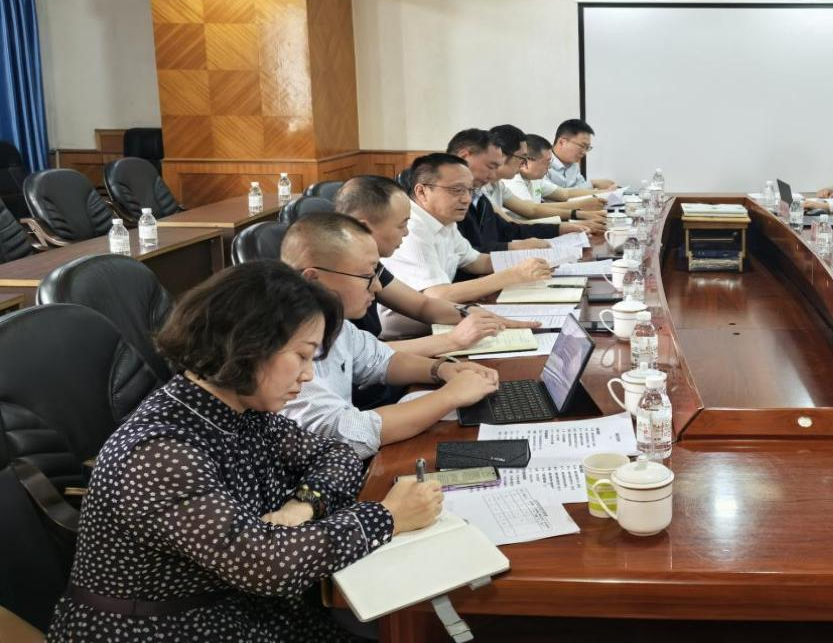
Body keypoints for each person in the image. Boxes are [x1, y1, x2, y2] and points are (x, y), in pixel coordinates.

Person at [47, 261, 444, 641]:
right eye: (301, 356)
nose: (308, 374)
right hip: (162, 628)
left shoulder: (239, 409)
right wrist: (387, 517)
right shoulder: (160, 453)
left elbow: (335, 456)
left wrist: (304, 505)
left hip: (239, 609)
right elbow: (266, 565)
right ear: (247, 345)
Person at [279, 213, 500, 459]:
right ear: (313, 279)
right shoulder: (280, 347)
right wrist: (450, 396)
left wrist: (441, 369)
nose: (377, 286)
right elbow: (349, 434)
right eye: (367, 276)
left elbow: (381, 360)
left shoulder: (333, 324)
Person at [332, 175, 536, 347]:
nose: (406, 233)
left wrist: (474, 313)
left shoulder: (371, 266)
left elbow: (422, 305)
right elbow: (367, 355)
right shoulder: (332, 277)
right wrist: (452, 341)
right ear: (364, 227)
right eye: (401, 225)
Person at [380, 153, 553, 316]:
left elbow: (476, 262)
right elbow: (437, 295)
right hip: (410, 328)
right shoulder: (411, 228)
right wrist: (513, 275)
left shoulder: (444, 220)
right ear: (422, 192)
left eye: (470, 190)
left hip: (441, 316)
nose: (467, 199)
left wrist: (531, 260)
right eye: (457, 190)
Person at [448, 127, 589, 252]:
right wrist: (513, 248)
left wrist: (560, 228)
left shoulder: (479, 195)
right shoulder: (465, 196)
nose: (492, 174)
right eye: (491, 166)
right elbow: (471, 257)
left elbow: (508, 229)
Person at [485, 124, 604, 230]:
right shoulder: (493, 186)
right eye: (522, 158)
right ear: (501, 155)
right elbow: (514, 224)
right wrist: (572, 220)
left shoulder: (498, 184)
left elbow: (531, 209)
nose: (523, 163)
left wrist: (577, 214)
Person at [548, 118, 616, 190]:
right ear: (562, 142)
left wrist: (603, 190)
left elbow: (582, 188)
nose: (584, 152)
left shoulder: (573, 164)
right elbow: (554, 194)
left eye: (587, 148)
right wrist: (593, 184)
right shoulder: (543, 163)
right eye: (582, 146)